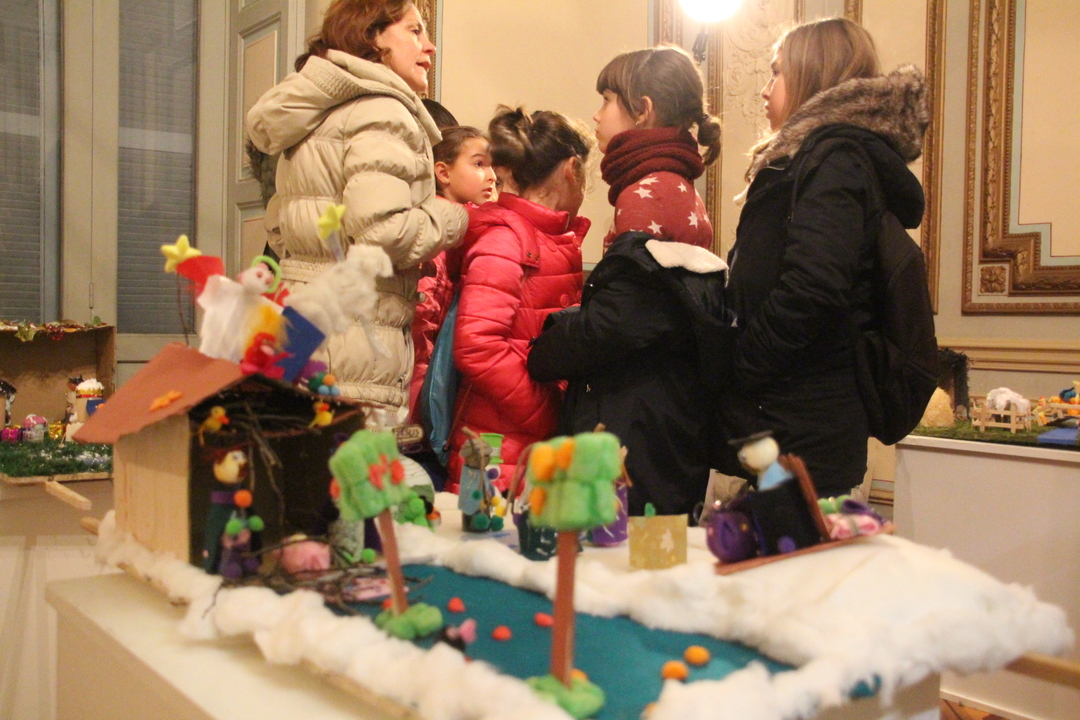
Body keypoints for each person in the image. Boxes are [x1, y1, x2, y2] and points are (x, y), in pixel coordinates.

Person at [719, 18, 928, 498]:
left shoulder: (834, 159)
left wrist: (741, 366)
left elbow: (813, 289)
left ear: (813, 75)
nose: (765, 89)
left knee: (793, 546)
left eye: (777, 72)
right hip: (788, 417)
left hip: (805, 425)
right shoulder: (819, 158)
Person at [245, 0, 467, 417]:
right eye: (414, 30)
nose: (430, 46)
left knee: (303, 448)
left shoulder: (321, 112)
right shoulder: (383, 111)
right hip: (354, 333)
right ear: (373, 37)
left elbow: (280, 226)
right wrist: (453, 216)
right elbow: (383, 233)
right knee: (355, 454)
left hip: (302, 319)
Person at [527, 230, 729, 517]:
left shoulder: (637, 286)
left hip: (623, 450)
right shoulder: (704, 285)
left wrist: (551, 332)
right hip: (679, 444)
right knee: (668, 537)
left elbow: (550, 357)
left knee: (611, 539)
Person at [444, 106, 593, 493]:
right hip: (497, 449)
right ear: (571, 170)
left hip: (527, 449)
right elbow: (477, 346)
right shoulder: (506, 241)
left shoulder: (547, 238)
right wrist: (546, 412)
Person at [409, 125, 496, 445]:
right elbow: (422, 322)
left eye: (492, 167)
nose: (491, 176)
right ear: (443, 173)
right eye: (479, 164)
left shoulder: (467, 229)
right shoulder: (435, 233)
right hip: (419, 387)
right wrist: (423, 400)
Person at [593, 46, 722, 254]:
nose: (597, 115)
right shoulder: (674, 184)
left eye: (606, 100)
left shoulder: (644, 196)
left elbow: (630, 275)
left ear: (642, 110)